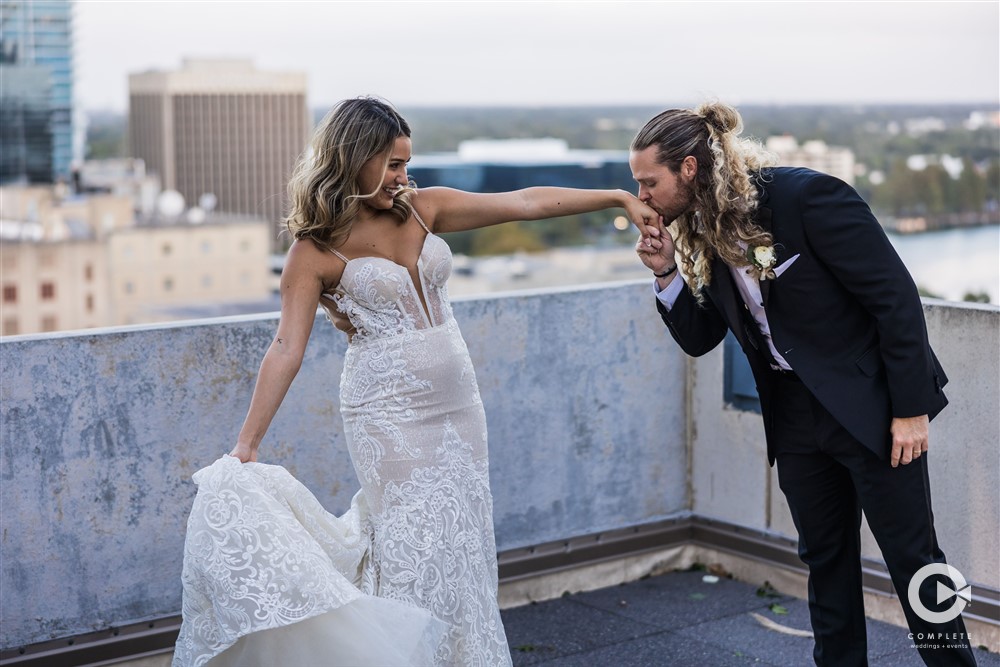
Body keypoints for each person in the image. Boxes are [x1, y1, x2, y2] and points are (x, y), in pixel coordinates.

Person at [172, 96, 658, 667]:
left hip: (458, 409)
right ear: (354, 160)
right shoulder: (314, 250)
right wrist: (247, 444)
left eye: (407, 163)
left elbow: (524, 203)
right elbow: (285, 348)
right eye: (393, 164)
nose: (405, 177)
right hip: (388, 417)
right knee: (415, 548)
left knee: (464, 544)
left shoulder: (425, 209)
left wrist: (616, 197)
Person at [632, 101, 976, 667]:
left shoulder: (807, 197)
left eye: (649, 182)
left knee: (917, 564)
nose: (641, 195)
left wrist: (910, 411)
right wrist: (668, 272)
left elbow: (894, 299)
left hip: (873, 409)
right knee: (825, 560)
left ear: (689, 169)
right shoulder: (701, 230)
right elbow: (700, 339)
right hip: (793, 418)